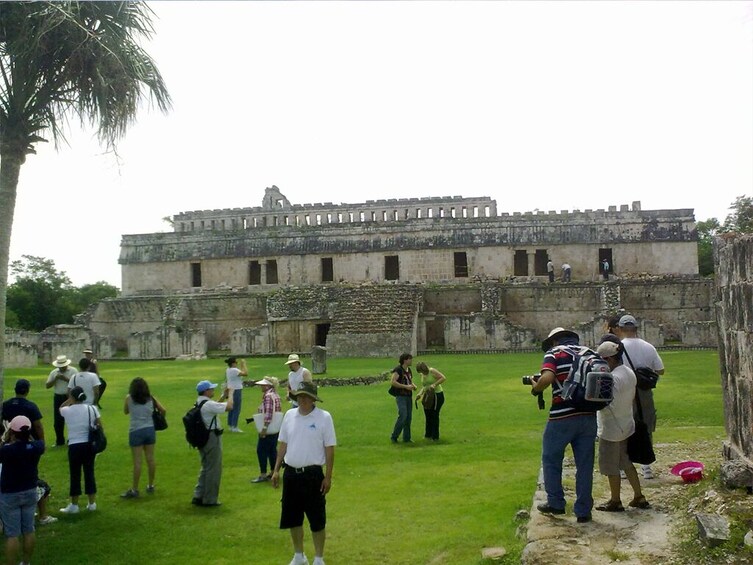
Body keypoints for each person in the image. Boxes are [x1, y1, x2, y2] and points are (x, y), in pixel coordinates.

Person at [530, 327, 597, 523]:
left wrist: (536, 388)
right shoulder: (589, 352)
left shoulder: (555, 353)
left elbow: (548, 378)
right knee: (585, 465)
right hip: (589, 414)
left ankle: (556, 503)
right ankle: (583, 510)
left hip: (563, 416)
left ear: (553, 341)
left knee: (551, 458)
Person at [272, 382, 336, 565]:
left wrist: (328, 477)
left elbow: (329, 448)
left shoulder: (324, 418)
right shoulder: (290, 416)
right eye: (300, 396)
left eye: (306, 397)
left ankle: (318, 558)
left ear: (313, 399)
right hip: (291, 474)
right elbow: (283, 444)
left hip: (313, 475)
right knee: (293, 517)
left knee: (317, 518)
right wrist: (276, 470)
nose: (303, 400)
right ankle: (299, 555)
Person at [594, 335, 650, 512]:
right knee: (626, 462)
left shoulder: (612, 378)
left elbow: (605, 403)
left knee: (611, 466)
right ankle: (638, 496)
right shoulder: (628, 372)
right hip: (626, 423)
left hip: (611, 427)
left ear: (609, 359)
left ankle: (615, 500)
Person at [617, 314, 665, 479]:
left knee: (624, 427)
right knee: (646, 426)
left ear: (621, 329)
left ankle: (624, 467)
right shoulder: (648, 347)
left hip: (624, 391)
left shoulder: (618, 347)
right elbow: (660, 370)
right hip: (643, 391)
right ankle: (647, 467)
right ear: (636, 328)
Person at [0, 416, 45, 565]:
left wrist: (7, 436)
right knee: (28, 530)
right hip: (30, 491)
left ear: (13, 432)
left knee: (12, 535)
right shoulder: (37, 447)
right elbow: (36, 442)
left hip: (10, 493)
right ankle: (26, 562)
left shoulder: (7, 450)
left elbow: (4, 447)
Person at [121, 377, 166, 498]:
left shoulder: (129, 398)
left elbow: (125, 411)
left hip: (135, 430)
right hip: (149, 429)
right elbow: (163, 410)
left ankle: (135, 489)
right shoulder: (151, 398)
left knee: (137, 461)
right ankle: (151, 485)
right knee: (150, 459)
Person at [59, 386, 101, 513]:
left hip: (74, 445)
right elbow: (99, 424)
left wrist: (69, 400)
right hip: (88, 444)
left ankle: (74, 504)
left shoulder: (67, 410)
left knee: (75, 474)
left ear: (72, 397)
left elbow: (60, 407)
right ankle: (92, 503)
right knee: (89, 472)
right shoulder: (92, 409)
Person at [192, 379, 233, 507]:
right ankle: (210, 499)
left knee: (206, 467)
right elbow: (229, 407)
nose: (213, 391)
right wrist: (231, 394)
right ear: (206, 391)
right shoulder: (208, 404)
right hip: (212, 437)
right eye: (211, 389)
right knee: (214, 469)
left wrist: (223, 396)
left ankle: (198, 494)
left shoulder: (200, 403)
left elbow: (214, 406)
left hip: (202, 437)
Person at [251, 376, 282, 483]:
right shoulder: (275, 395)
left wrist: (264, 428)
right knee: (272, 450)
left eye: (263, 385)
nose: (261, 386)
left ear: (268, 385)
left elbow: (268, 413)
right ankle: (273, 471)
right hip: (275, 428)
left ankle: (263, 474)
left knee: (261, 450)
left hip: (268, 428)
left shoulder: (268, 396)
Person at [46, 355, 76, 446]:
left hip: (70, 397)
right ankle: (59, 441)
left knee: (72, 420)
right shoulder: (54, 373)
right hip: (58, 397)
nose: (62, 368)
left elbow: (76, 383)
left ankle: (72, 440)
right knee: (58, 421)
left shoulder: (73, 371)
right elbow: (47, 385)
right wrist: (55, 379)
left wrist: (66, 379)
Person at [415, 362, 446, 441]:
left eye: (422, 371)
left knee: (434, 415)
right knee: (427, 414)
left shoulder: (432, 371)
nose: (422, 373)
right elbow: (424, 386)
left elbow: (443, 378)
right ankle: (428, 434)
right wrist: (420, 394)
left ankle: (435, 436)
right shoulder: (422, 375)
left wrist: (434, 385)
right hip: (428, 395)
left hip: (437, 395)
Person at [389, 353, 416, 444]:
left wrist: (413, 386)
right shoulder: (398, 370)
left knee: (408, 417)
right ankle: (394, 436)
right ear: (405, 360)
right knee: (403, 415)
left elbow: (409, 381)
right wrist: (405, 387)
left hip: (409, 396)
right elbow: (393, 382)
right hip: (401, 396)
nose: (411, 361)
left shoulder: (409, 370)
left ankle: (407, 438)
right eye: (410, 359)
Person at [224, 357, 248, 432]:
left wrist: (241, 366)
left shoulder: (228, 370)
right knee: (236, 408)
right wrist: (244, 364)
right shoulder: (234, 370)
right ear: (233, 363)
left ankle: (231, 425)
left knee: (231, 408)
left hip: (231, 389)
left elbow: (240, 372)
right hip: (236, 390)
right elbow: (245, 373)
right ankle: (234, 426)